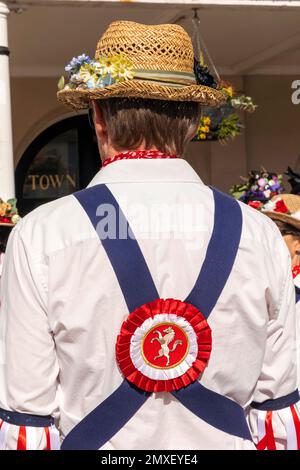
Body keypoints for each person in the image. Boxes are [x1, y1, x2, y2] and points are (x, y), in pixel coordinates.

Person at [0, 20, 299, 451]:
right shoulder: (258, 233)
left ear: (98, 119)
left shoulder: (41, 235)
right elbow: (277, 409)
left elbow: (27, 417)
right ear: (194, 122)